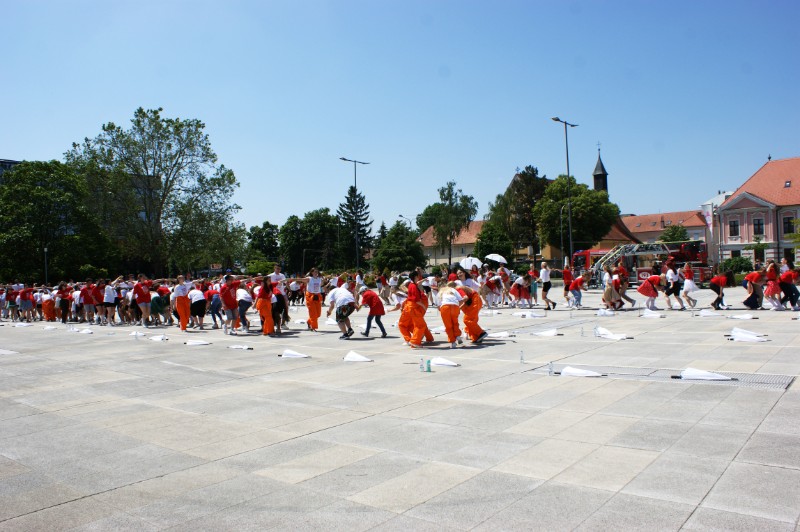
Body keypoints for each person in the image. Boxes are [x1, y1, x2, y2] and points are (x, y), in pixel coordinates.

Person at [437, 282, 463, 348]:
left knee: (448, 326)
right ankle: (457, 336)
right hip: (455, 306)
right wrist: (457, 306)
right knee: (455, 322)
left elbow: (438, 305)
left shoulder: (440, 292)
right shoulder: (452, 290)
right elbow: (461, 300)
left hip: (445, 307)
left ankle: (453, 342)